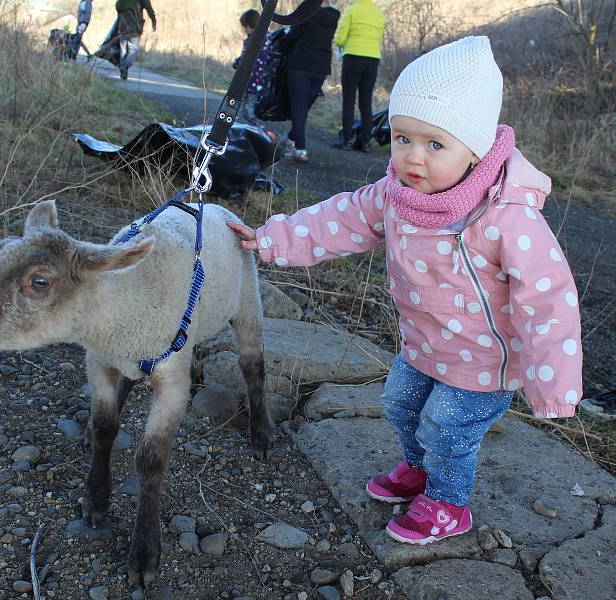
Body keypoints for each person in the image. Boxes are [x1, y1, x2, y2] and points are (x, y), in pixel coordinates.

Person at [228, 37, 583, 545]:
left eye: (435, 144)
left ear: (476, 149)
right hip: (423, 345)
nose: (413, 157)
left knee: (448, 426)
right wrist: (269, 239)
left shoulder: (506, 217)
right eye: (402, 138)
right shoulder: (396, 195)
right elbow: (338, 220)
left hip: (485, 361)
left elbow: (548, 299)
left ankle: (448, 503)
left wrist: (554, 385)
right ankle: (419, 471)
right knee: (400, 403)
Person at [278, 0, 339, 163]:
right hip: (321, 66)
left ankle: (300, 149)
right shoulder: (334, 15)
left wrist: (280, 46)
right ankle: (291, 138)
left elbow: (294, 34)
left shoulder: (308, 9)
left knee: (299, 106)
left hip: (301, 63)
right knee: (304, 105)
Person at [333, 0, 385, 152]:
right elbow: (379, 37)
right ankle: (366, 142)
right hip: (373, 59)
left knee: (348, 100)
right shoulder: (378, 13)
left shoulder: (352, 10)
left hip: (353, 57)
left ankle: (347, 140)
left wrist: (340, 42)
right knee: (366, 102)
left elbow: (340, 37)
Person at [233, 9, 273, 127]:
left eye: (245, 27)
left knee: (246, 111)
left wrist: (237, 63)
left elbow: (246, 57)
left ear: (249, 25)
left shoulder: (253, 39)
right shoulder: (267, 38)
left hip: (251, 82)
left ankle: (259, 131)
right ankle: (250, 130)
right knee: (244, 108)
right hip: (260, 81)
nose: (245, 30)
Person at [114, 0, 156, 80]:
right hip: (135, 27)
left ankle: (123, 70)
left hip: (123, 26)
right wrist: (153, 21)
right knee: (133, 50)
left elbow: (118, 7)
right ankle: (125, 67)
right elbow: (149, 9)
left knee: (123, 52)